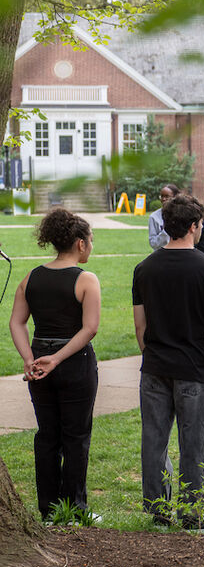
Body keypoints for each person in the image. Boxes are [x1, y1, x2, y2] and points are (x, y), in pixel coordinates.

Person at [132, 194, 204, 530]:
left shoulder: (144, 268)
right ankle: (191, 512)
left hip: (156, 367)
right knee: (194, 444)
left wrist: (153, 355)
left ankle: (159, 509)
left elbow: (140, 327)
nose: (202, 228)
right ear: (192, 226)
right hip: (194, 367)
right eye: (201, 224)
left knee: (154, 441)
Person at [9, 210, 101, 523]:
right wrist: (58, 358)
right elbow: (89, 328)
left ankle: (48, 510)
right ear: (79, 243)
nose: (91, 245)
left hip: (38, 365)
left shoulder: (31, 276)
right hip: (74, 363)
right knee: (75, 436)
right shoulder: (86, 280)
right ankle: (75, 509)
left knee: (47, 435)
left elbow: (16, 322)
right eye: (90, 240)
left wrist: (29, 358)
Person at [148, 184, 179, 251]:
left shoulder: (182, 215)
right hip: (161, 255)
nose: (163, 199)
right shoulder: (154, 217)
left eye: (167, 196)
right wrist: (166, 231)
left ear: (175, 197)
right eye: (162, 196)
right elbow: (153, 243)